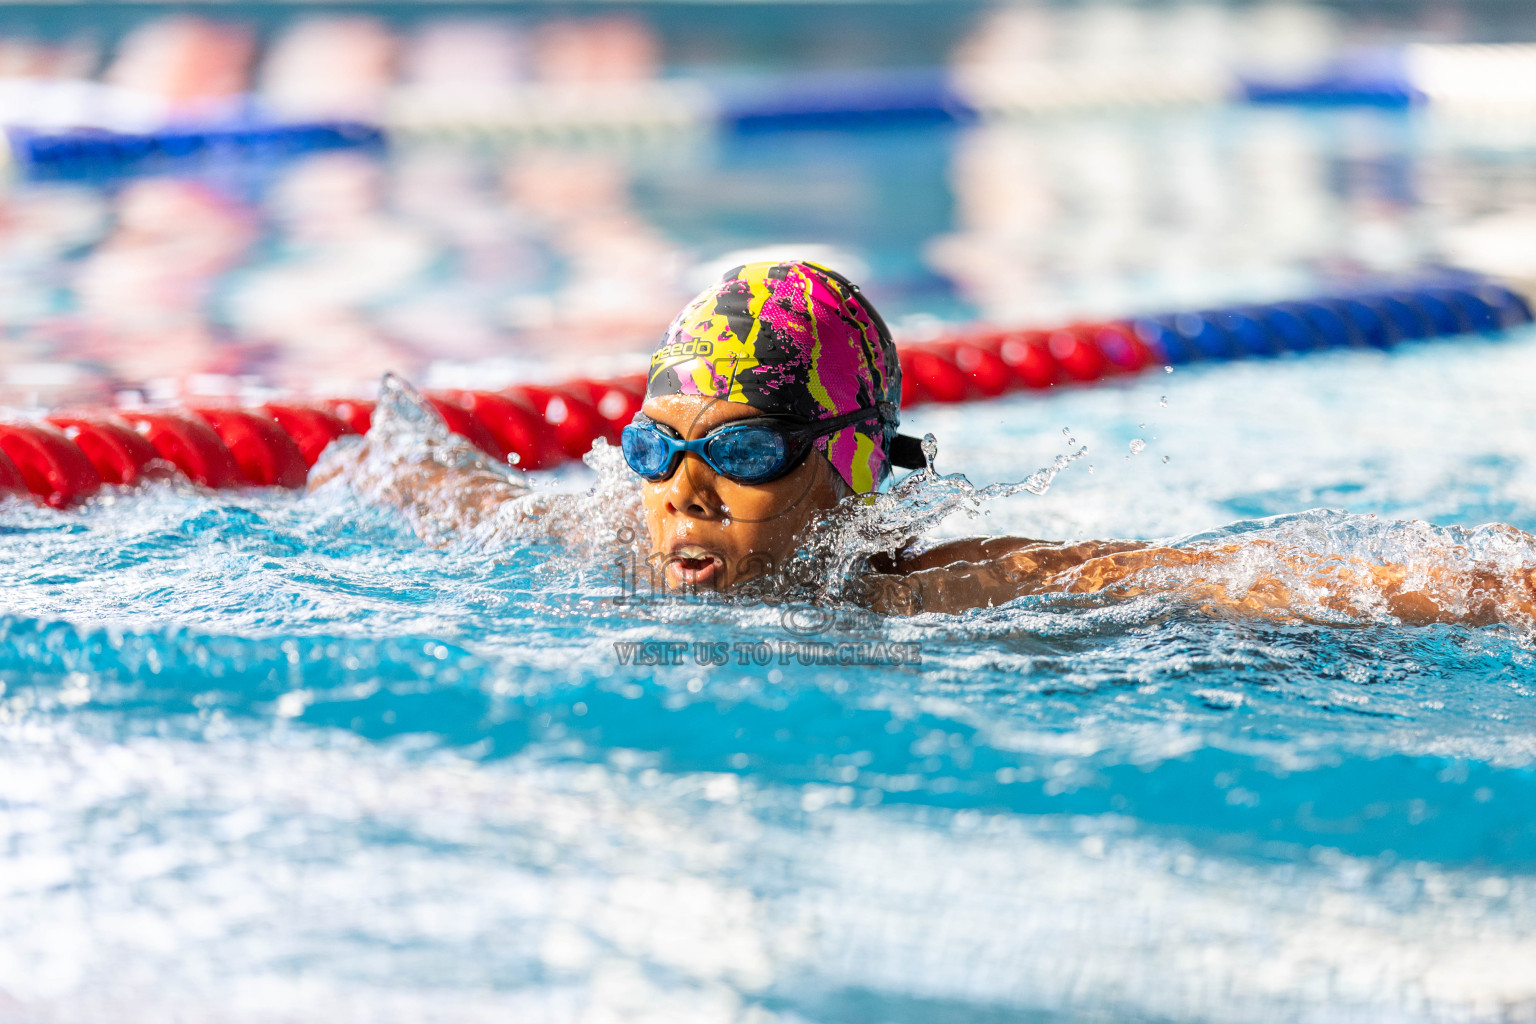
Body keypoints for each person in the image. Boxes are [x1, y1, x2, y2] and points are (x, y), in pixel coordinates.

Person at [315, 260, 1536, 626]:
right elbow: (448, 489)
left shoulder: (931, 595)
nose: (681, 490)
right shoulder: (597, 542)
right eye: (654, 447)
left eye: (738, 451)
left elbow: (1226, 579)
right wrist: (393, 447)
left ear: (849, 467)